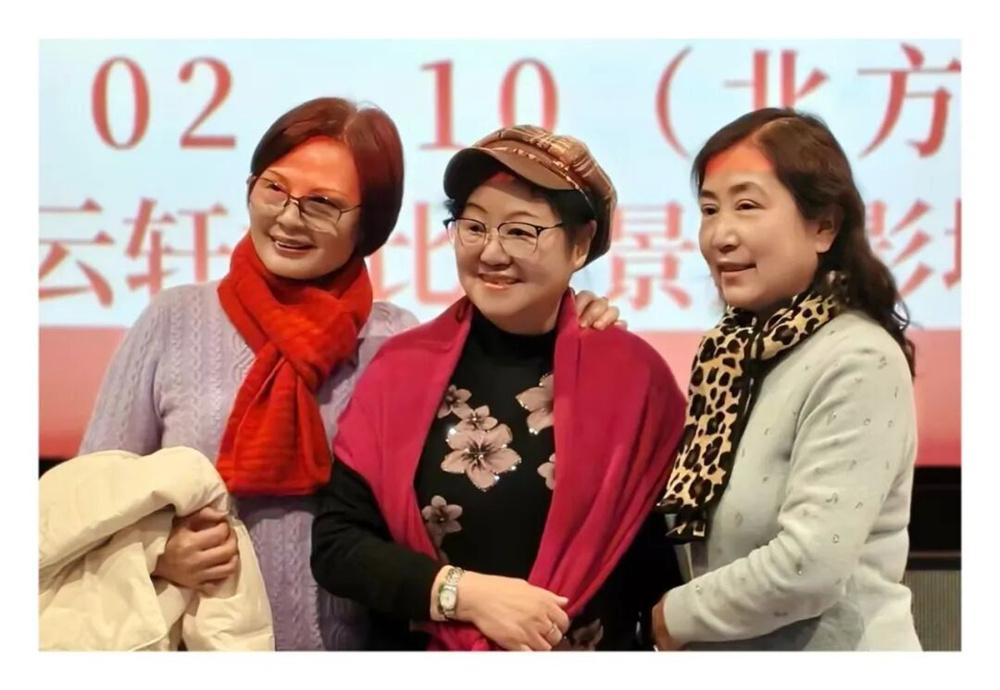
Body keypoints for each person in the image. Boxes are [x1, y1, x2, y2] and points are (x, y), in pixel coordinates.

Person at [79, 99, 622, 650]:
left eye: (323, 204)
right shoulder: (173, 321)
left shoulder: (400, 344)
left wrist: (572, 322)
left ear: (370, 222)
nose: (289, 217)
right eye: (274, 189)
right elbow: (88, 503)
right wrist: (156, 553)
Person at [311, 125, 687, 651]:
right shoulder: (401, 369)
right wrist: (464, 595)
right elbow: (339, 546)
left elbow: (662, 566)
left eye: (520, 231)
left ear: (580, 244)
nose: (491, 252)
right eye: (473, 226)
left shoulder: (633, 380)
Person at [651, 108, 921, 651]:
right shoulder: (731, 352)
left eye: (747, 206)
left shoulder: (857, 357)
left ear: (824, 226)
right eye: (709, 209)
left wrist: (666, 619)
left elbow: (808, 568)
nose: (720, 235)